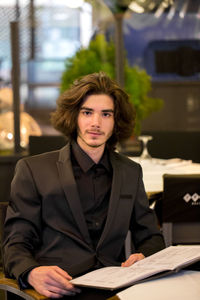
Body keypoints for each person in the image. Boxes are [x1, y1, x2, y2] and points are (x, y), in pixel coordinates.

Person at [3, 72, 165, 299]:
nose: (96, 123)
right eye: (87, 113)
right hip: (56, 292)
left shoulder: (130, 172)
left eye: (106, 114)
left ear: (116, 121)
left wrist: (144, 256)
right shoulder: (33, 169)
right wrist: (31, 272)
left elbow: (151, 237)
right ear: (73, 117)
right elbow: (15, 243)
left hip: (115, 292)